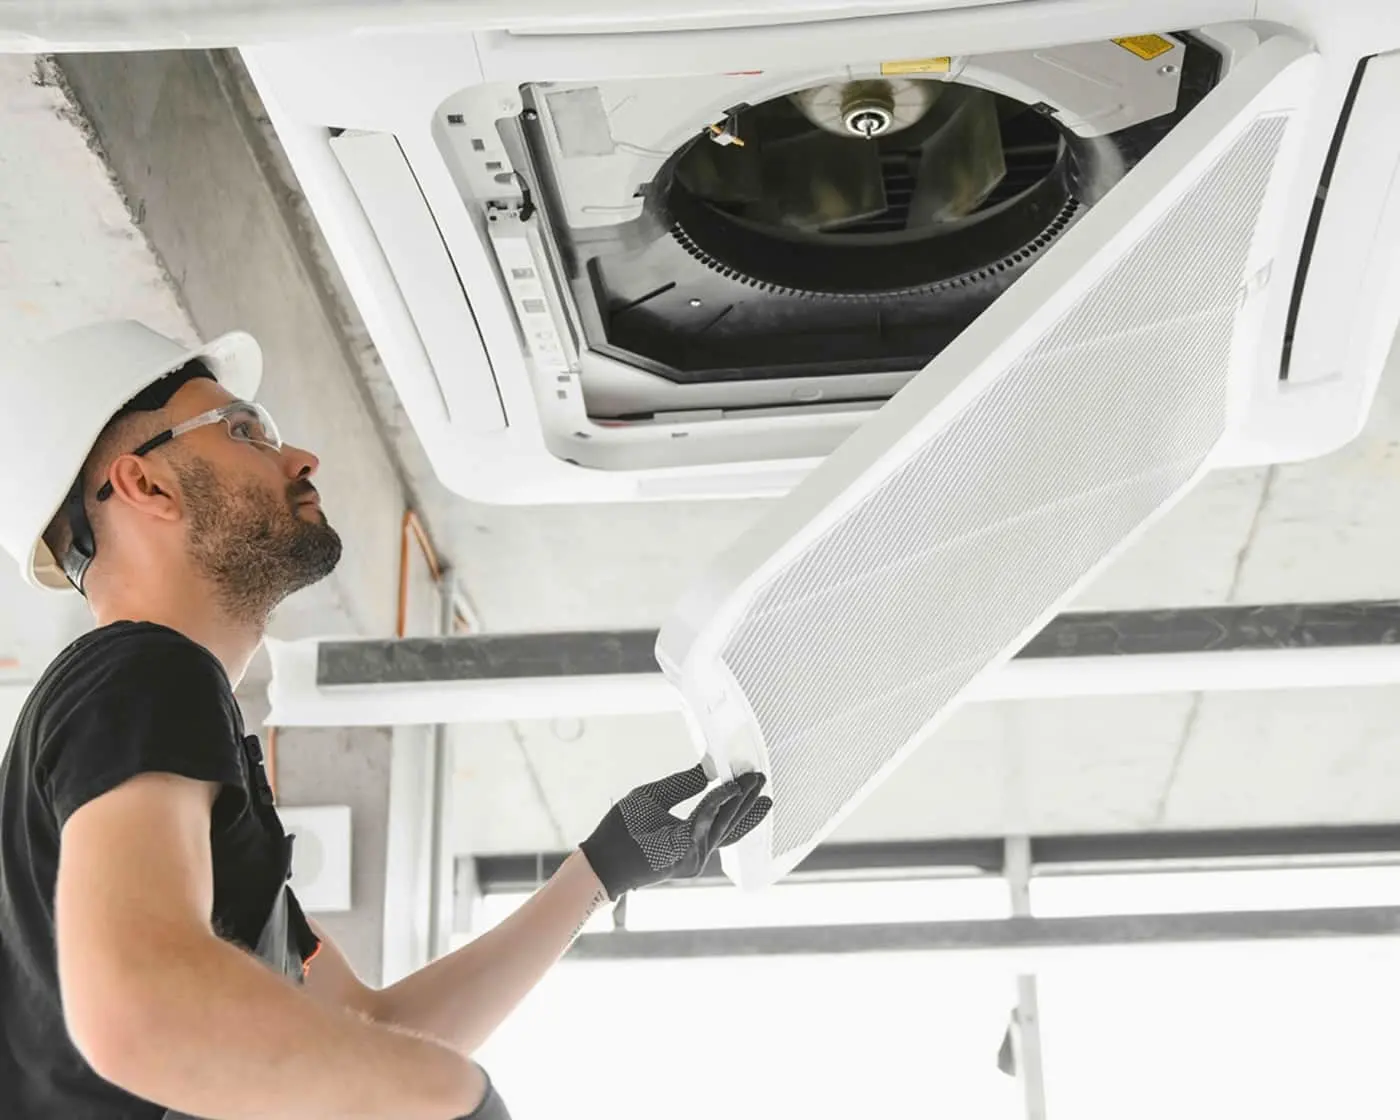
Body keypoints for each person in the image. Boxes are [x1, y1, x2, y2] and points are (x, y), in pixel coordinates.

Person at [0, 320, 772, 1120]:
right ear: (147, 487)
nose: (299, 458)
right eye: (244, 431)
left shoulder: (162, 717)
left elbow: (367, 1028)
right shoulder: (145, 671)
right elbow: (140, 1011)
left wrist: (602, 869)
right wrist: (452, 1102)